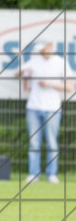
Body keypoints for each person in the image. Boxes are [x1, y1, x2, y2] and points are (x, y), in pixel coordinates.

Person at [18, 41, 74, 184]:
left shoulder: (61, 63)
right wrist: (24, 71)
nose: (42, 52)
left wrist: (49, 84)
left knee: (51, 143)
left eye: (43, 50)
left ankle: (51, 174)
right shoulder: (34, 61)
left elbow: (69, 87)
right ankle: (33, 173)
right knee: (34, 143)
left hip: (52, 108)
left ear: (50, 48)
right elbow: (17, 73)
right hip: (33, 107)